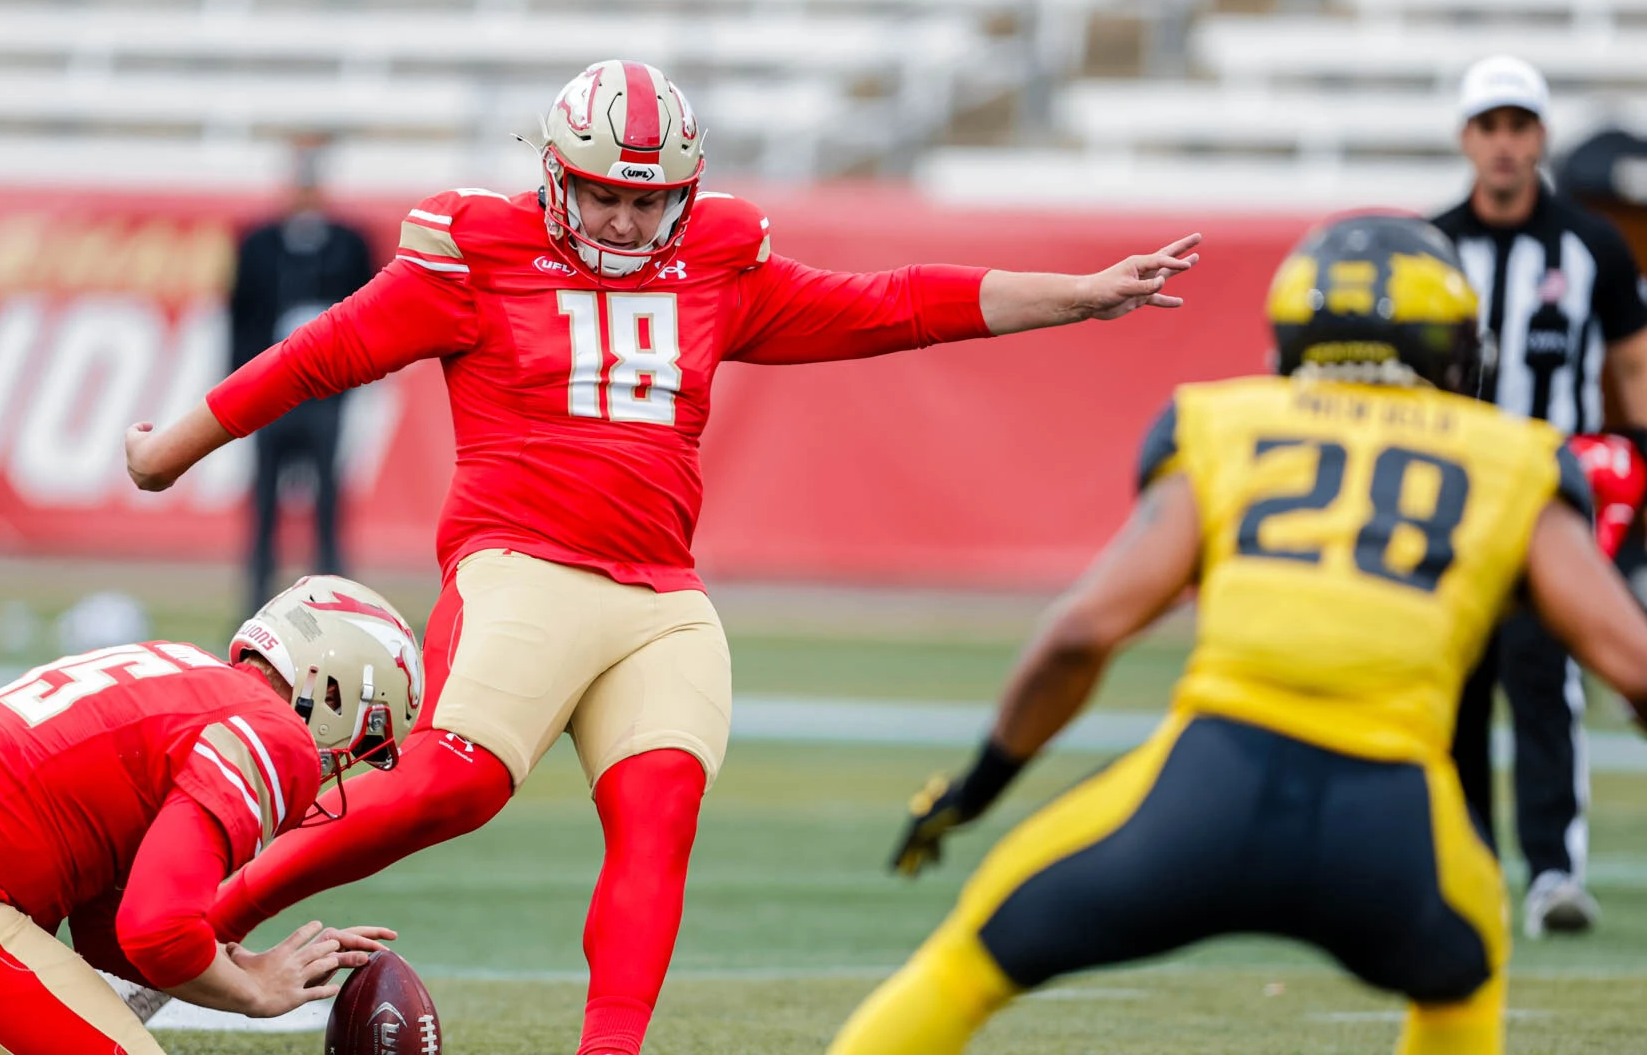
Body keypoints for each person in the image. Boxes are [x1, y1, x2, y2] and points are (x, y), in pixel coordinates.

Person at [123, 59, 1200, 1055]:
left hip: (662, 597)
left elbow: (896, 305)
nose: (625, 219)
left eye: (646, 201)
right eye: (603, 195)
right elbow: (319, 356)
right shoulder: (476, 258)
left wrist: (1080, 293)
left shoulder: (715, 266)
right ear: (555, 178)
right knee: (442, 791)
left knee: (659, 819)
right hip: (525, 565)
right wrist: (174, 449)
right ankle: (166, 945)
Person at [832, 213, 1647, 1055]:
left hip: (1207, 790)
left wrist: (979, 786)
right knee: (1462, 982)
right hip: (1395, 823)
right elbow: (1635, 665)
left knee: (969, 962)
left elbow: (1082, 633)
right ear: (1453, 343)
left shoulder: (1226, 422)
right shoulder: (1514, 456)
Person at [0, 576, 421, 1055]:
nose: (344, 764)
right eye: (364, 737)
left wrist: (235, 964)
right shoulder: (272, 732)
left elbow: (115, 930)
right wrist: (254, 993)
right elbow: (155, 930)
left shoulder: (185, 668)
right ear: (331, 690)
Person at [1432, 54, 1647, 936]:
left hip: (1549, 494)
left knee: (1544, 679)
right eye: (1490, 127)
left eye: (1519, 127)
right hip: (1452, 491)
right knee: (1454, 680)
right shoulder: (1433, 243)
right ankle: (1467, 862)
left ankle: (1554, 870)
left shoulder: (1589, 242)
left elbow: (1631, 367)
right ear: (1466, 138)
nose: (1505, 144)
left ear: (1541, 138)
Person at [230, 133, 376, 613]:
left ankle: (334, 602)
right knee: (265, 505)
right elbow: (240, 317)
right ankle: (255, 605)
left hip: (326, 395)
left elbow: (370, 314)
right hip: (270, 393)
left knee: (329, 505)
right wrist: (243, 386)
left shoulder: (350, 243)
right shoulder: (257, 243)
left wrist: (350, 384)